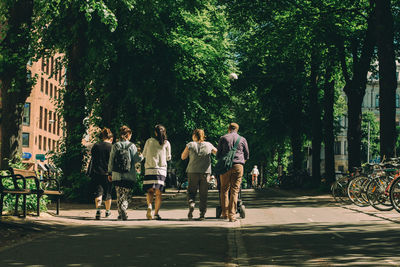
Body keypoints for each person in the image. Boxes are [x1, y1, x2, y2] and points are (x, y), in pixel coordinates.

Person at [108, 126, 143, 221]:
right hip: (129, 175)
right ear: (128, 135)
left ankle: (120, 214)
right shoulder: (132, 146)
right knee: (127, 195)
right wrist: (142, 155)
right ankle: (124, 207)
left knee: (119, 195)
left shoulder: (115, 145)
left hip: (117, 174)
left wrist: (109, 173)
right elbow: (137, 160)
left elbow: (111, 160)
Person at [181, 129, 217, 220]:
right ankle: (202, 214)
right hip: (205, 172)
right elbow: (217, 153)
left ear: (194, 135)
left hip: (192, 172)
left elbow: (183, 157)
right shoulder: (209, 145)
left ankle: (192, 204)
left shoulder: (190, 144)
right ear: (203, 135)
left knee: (191, 191)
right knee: (203, 194)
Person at [216, 123, 249, 222]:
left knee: (224, 189)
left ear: (228, 129)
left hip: (225, 166)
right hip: (238, 165)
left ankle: (224, 213)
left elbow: (218, 155)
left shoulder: (223, 138)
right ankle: (232, 215)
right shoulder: (242, 139)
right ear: (237, 129)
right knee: (235, 190)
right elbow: (247, 155)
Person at [142, 124, 171, 220]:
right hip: (161, 171)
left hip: (149, 169)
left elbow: (144, 154)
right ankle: (156, 213)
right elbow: (168, 157)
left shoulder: (149, 141)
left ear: (155, 132)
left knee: (150, 191)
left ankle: (149, 205)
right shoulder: (166, 143)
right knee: (158, 193)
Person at [88, 127, 113, 220]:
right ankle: (107, 211)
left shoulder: (96, 145)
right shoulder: (111, 147)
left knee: (98, 192)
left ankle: (98, 210)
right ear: (111, 138)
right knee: (108, 193)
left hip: (96, 172)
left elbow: (93, 158)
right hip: (107, 174)